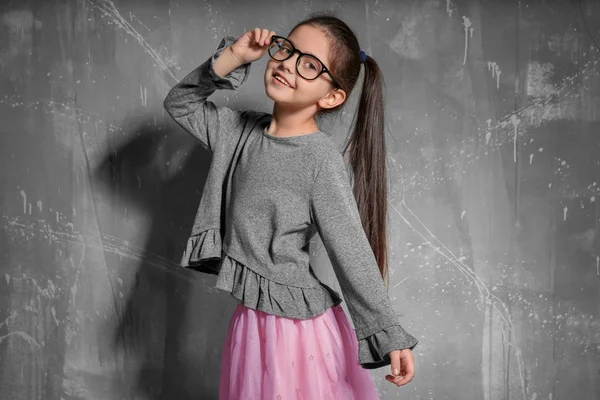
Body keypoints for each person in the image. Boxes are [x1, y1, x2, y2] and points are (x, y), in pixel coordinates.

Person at [164, 11, 418, 400]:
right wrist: (234, 56)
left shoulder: (319, 160)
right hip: (251, 324)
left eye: (311, 65)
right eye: (286, 50)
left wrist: (387, 333)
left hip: (295, 331)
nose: (287, 64)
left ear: (332, 96)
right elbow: (180, 104)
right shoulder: (237, 132)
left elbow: (350, 249)